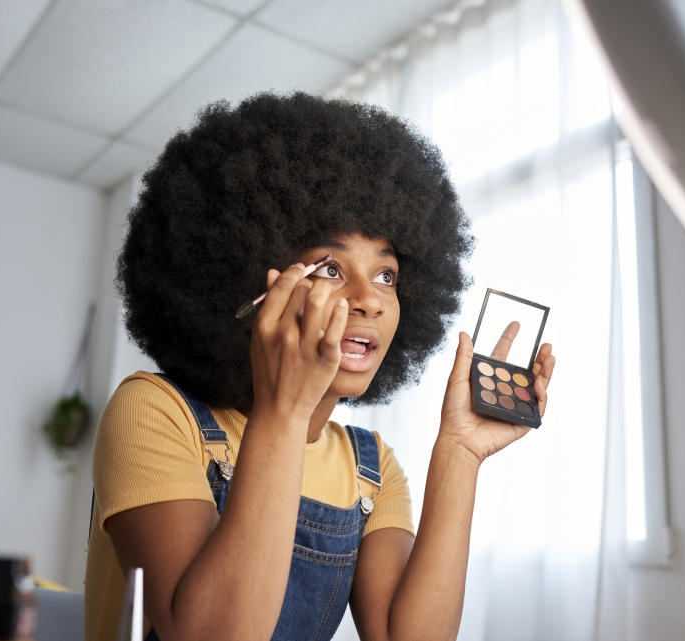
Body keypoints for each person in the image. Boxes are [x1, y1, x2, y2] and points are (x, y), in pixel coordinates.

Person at [83, 91, 555, 641]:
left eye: (386, 276)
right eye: (331, 268)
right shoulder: (156, 411)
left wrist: (460, 453)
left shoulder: (368, 468)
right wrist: (285, 410)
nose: (370, 300)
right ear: (253, 285)